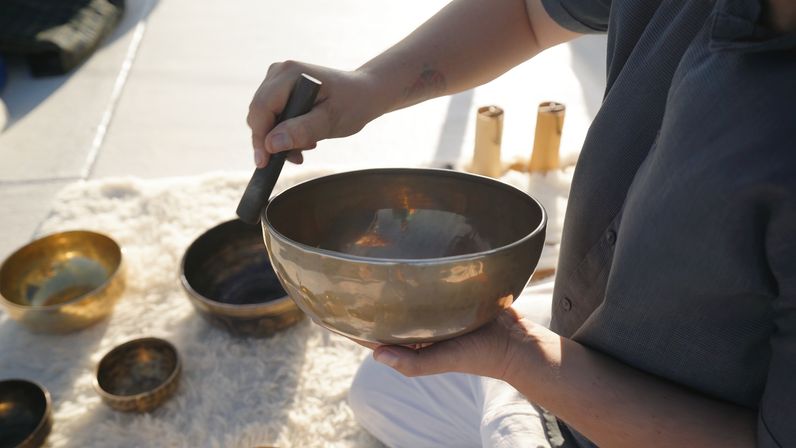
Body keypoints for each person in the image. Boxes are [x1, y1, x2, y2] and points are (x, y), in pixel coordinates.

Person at [246, 0, 796, 446]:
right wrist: (366, 87)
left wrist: (516, 355)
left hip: (639, 423)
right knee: (381, 390)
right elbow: (531, 12)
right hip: (582, 334)